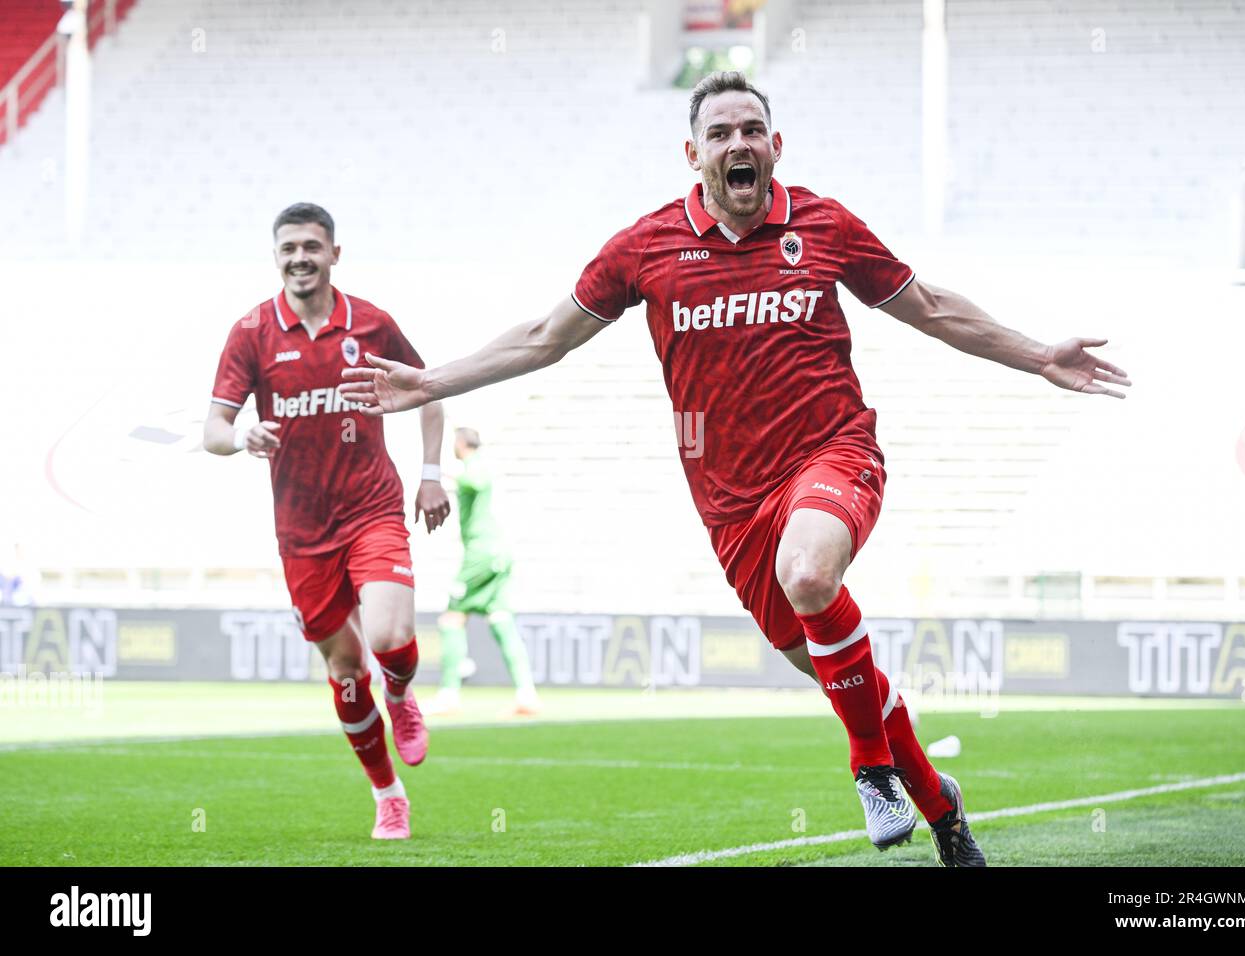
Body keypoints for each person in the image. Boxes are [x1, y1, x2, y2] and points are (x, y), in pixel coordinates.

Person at [339, 73, 1131, 865]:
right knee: (842, 677)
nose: (739, 144)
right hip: (729, 507)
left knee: (811, 573)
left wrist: (1037, 356)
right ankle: (941, 805)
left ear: (775, 146)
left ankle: (868, 770)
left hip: (833, 453)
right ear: (694, 155)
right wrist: (431, 381)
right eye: (720, 134)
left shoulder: (823, 225)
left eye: (752, 130)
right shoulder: (645, 247)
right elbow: (545, 337)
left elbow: (929, 308)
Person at [204, 202, 452, 841]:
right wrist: (241, 437)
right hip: (301, 532)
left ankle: (400, 694)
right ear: (276, 255)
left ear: (334, 253)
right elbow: (212, 431)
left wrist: (430, 475)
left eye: (311, 246)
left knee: (391, 634)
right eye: (288, 248)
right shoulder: (252, 331)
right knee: (345, 671)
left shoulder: (369, 323)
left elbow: (429, 390)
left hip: (371, 508)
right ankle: (387, 793)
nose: (299, 258)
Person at [429, 427, 540, 718]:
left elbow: (477, 480)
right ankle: (526, 694)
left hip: (482, 553)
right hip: (498, 554)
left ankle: (449, 694)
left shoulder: (475, 466)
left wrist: (443, 476)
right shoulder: (479, 465)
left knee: (452, 618)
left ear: (461, 443)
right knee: (501, 620)